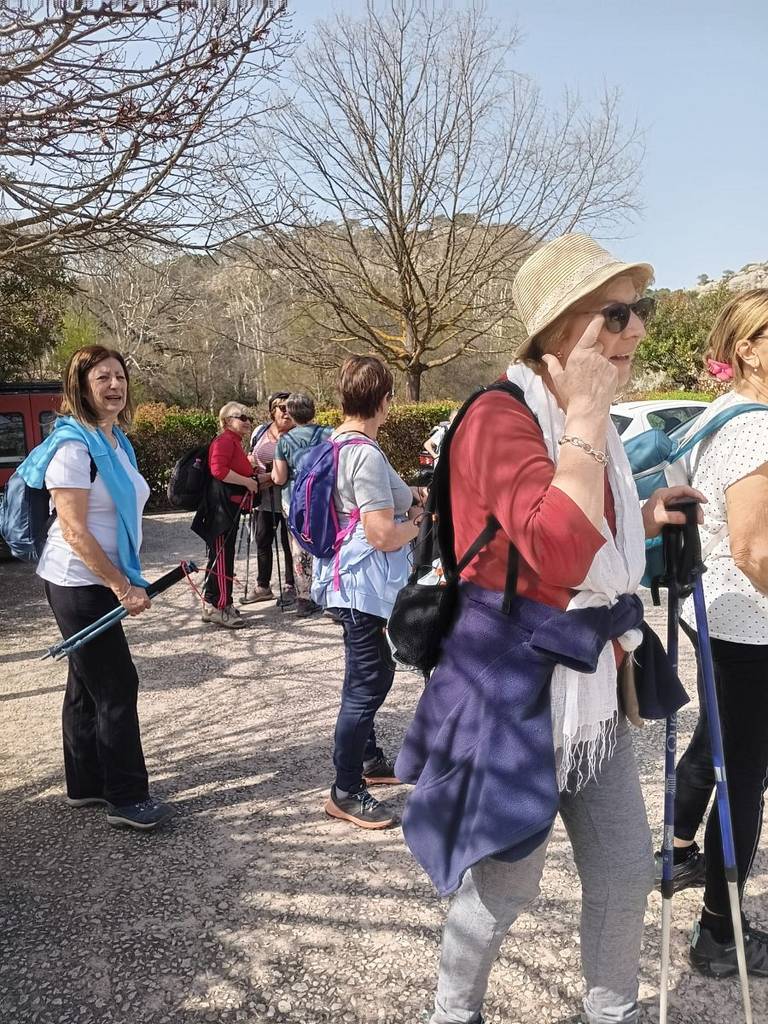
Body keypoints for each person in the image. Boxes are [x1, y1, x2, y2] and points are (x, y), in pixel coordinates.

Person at [394, 234, 702, 1024]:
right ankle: (452, 1013)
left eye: (644, 310)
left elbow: (573, 536)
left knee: (626, 869)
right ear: (560, 327)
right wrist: (591, 417)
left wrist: (640, 516)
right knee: (504, 885)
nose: (637, 331)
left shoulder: (565, 415)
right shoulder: (503, 418)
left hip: (588, 689)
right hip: (512, 687)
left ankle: (612, 1011)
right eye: (618, 314)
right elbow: (557, 549)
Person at [19, 345, 172, 831]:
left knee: (86, 682)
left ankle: (85, 783)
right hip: (78, 580)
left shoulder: (113, 441)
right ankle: (127, 797)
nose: (114, 385)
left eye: (119, 376)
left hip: (98, 578)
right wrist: (121, 585)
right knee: (116, 684)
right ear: (79, 387)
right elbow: (74, 531)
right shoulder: (73, 447)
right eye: (101, 377)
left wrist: (120, 579)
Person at [668, 290, 768, 977]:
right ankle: (719, 934)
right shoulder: (758, 427)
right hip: (748, 624)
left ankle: (676, 852)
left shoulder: (718, 415)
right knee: (746, 778)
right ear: (749, 348)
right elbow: (755, 549)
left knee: (721, 747)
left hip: (715, 615)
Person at [313, 355, 423, 830]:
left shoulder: (334, 443)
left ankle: (370, 759)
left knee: (369, 675)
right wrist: (415, 526)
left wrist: (408, 497)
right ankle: (345, 788)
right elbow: (381, 533)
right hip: (363, 587)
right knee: (368, 683)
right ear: (384, 401)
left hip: (345, 580)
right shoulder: (367, 454)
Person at [192, 402, 264, 629]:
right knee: (222, 558)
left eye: (248, 417)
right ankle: (220, 605)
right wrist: (247, 482)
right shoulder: (224, 441)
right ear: (226, 421)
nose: (247, 421)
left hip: (227, 509)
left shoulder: (233, 442)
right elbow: (218, 470)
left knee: (221, 557)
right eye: (241, 417)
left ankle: (215, 604)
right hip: (221, 511)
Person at [270, 393, 331, 618]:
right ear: (313, 410)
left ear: (292, 414)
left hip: (295, 500)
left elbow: (278, 478)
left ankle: (304, 598)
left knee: (299, 548)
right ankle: (330, 595)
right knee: (329, 541)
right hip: (325, 497)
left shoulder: (285, 441)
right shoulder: (328, 433)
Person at [240, 393, 296, 606]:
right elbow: (251, 454)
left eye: (290, 407)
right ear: (272, 411)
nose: (286, 411)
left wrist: (269, 477)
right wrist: (250, 464)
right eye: (281, 407)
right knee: (262, 539)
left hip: (290, 498)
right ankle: (263, 586)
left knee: (289, 542)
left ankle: (292, 585)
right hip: (263, 498)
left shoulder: (297, 434)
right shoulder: (260, 431)